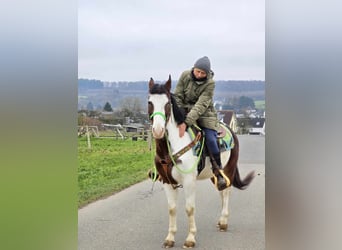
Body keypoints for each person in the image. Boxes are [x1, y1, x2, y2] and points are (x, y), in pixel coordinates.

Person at [173, 56, 227, 190]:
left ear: (207, 74)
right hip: (183, 111)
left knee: (210, 139)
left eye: (203, 73)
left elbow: (201, 105)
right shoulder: (185, 75)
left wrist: (186, 122)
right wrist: (179, 116)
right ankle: (161, 168)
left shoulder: (210, 83)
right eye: (198, 72)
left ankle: (217, 170)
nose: (199, 75)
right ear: (194, 69)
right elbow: (178, 96)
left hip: (204, 114)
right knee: (167, 132)